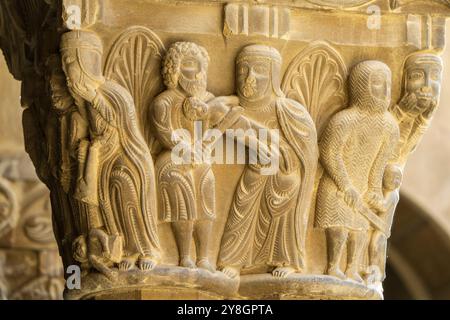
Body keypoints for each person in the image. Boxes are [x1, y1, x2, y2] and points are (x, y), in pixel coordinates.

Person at [218, 45, 318, 279]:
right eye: (243, 70)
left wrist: (277, 152)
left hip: (284, 177)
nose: (249, 77)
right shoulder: (235, 107)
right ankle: (235, 260)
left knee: (283, 202)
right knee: (242, 206)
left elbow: (305, 153)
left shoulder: (287, 109)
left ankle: (286, 259)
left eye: (260, 70)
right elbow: (217, 115)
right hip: (256, 173)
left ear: (273, 75)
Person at [315, 60, 400, 283]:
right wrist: (345, 185)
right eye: (377, 83)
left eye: (388, 84)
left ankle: (352, 268)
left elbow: (379, 164)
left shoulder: (389, 126)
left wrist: (373, 191)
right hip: (336, 185)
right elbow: (329, 154)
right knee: (339, 227)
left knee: (360, 231)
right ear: (360, 86)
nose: (385, 90)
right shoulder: (345, 120)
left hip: (361, 186)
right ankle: (333, 267)